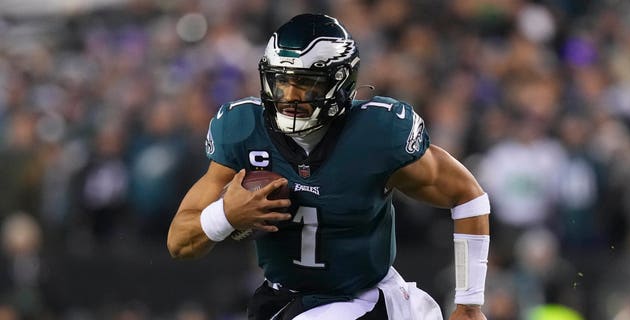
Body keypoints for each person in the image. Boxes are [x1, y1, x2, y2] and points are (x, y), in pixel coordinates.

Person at [167, 13, 490, 320]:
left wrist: (470, 304)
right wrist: (225, 214)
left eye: (305, 83)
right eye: (281, 82)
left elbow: (467, 196)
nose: (290, 96)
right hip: (283, 299)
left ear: (340, 82)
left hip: (362, 299)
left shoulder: (378, 136)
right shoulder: (243, 131)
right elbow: (179, 242)